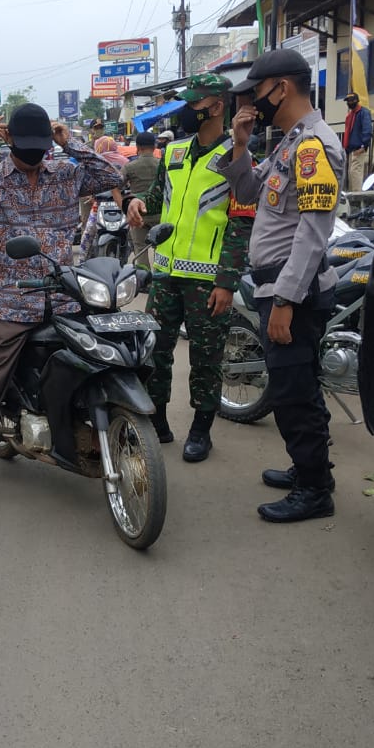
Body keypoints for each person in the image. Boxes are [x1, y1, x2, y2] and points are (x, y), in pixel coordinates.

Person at [0, 103, 122, 502]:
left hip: (66, 297)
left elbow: (113, 175)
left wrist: (70, 143)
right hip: (13, 300)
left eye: (41, 147)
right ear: (9, 142)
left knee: (96, 361)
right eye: (27, 147)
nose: (35, 155)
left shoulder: (67, 173)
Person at [220, 48, 343, 522]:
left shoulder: (314, 145)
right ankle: (308, 468)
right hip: (281, 284)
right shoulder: (289, 142)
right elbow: (250, 194)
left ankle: (315, 491)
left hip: (294, 288)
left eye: (256, 95)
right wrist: (240, 144)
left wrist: (287, 300)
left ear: (282, 88)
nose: (253, 103)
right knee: (298, 386)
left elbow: (315, 231)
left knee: (293, 392)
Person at [126, 73, 237, 462]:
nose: (186, 112)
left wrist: (227, 280)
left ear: (216, 106)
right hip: (166, 273)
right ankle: (156, 422)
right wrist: (137, 203)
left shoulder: (237, 157)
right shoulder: (173, 153)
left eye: (193, 104)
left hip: (208, 280)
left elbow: (241, 224)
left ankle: (201, 430)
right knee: (156, 350)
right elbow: (156, 196)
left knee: (206, 358)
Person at [114, 131, 160, 264]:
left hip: (138, 214)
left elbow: (115, 187)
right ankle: (159, 279)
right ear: (154, 146)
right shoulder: (162, 164)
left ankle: (144, 281)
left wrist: (125, 208)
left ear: (138, 148)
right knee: (161, 249)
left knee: (140, 249)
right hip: (161, 214)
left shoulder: (130, 167)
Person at [342, 92, 373, 191]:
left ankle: (357, 197)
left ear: (356, 101)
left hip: (358, 148)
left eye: (351, 101)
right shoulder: (351, 115)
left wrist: (363, 146)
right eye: (348, 101)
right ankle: (354, 196)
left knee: (355, 173)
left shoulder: (363, 113)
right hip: (351, 149)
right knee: (352, 174)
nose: (349, 103)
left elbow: (367, 129)